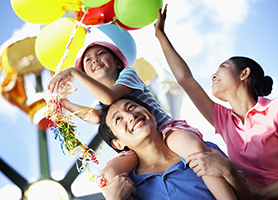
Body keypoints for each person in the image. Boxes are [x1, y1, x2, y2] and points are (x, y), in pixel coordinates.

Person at [47, 33, 238, 199]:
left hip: (165, 131)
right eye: (87, 60)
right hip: (137, 143)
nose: (94, 60)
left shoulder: (128, 75)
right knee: (110, 175)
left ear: (116, 62)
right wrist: (63, 104)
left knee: (195, 150)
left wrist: (73, 72)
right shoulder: (102, 103)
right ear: (87, 74)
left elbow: (109, 96)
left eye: (100, 54)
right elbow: (95, 117)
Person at [155, 4, 278, 200]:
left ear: (244, 73)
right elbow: (185, 78)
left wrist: (263, 193)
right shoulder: (224, 120)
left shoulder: (275, 110)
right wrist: (160, 35)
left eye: (222, 67)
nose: (214, 74)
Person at [98, 96, 241, 200]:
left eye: (131, 107)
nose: (130, 115)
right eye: (118, 119)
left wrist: (230, 172)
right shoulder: (130, 188)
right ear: (117, 144)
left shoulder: (205, 150)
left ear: (151, 114)